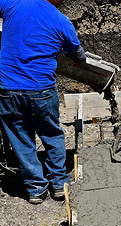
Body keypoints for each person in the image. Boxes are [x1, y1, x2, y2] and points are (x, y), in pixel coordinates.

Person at [0, 0, 86, 204]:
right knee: (51, 133)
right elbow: (79, 56)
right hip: (41, 89)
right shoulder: (61, 20)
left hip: (8, 89)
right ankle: (59, 184)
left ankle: (36, 189)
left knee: (21, 138)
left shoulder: (13, 4)